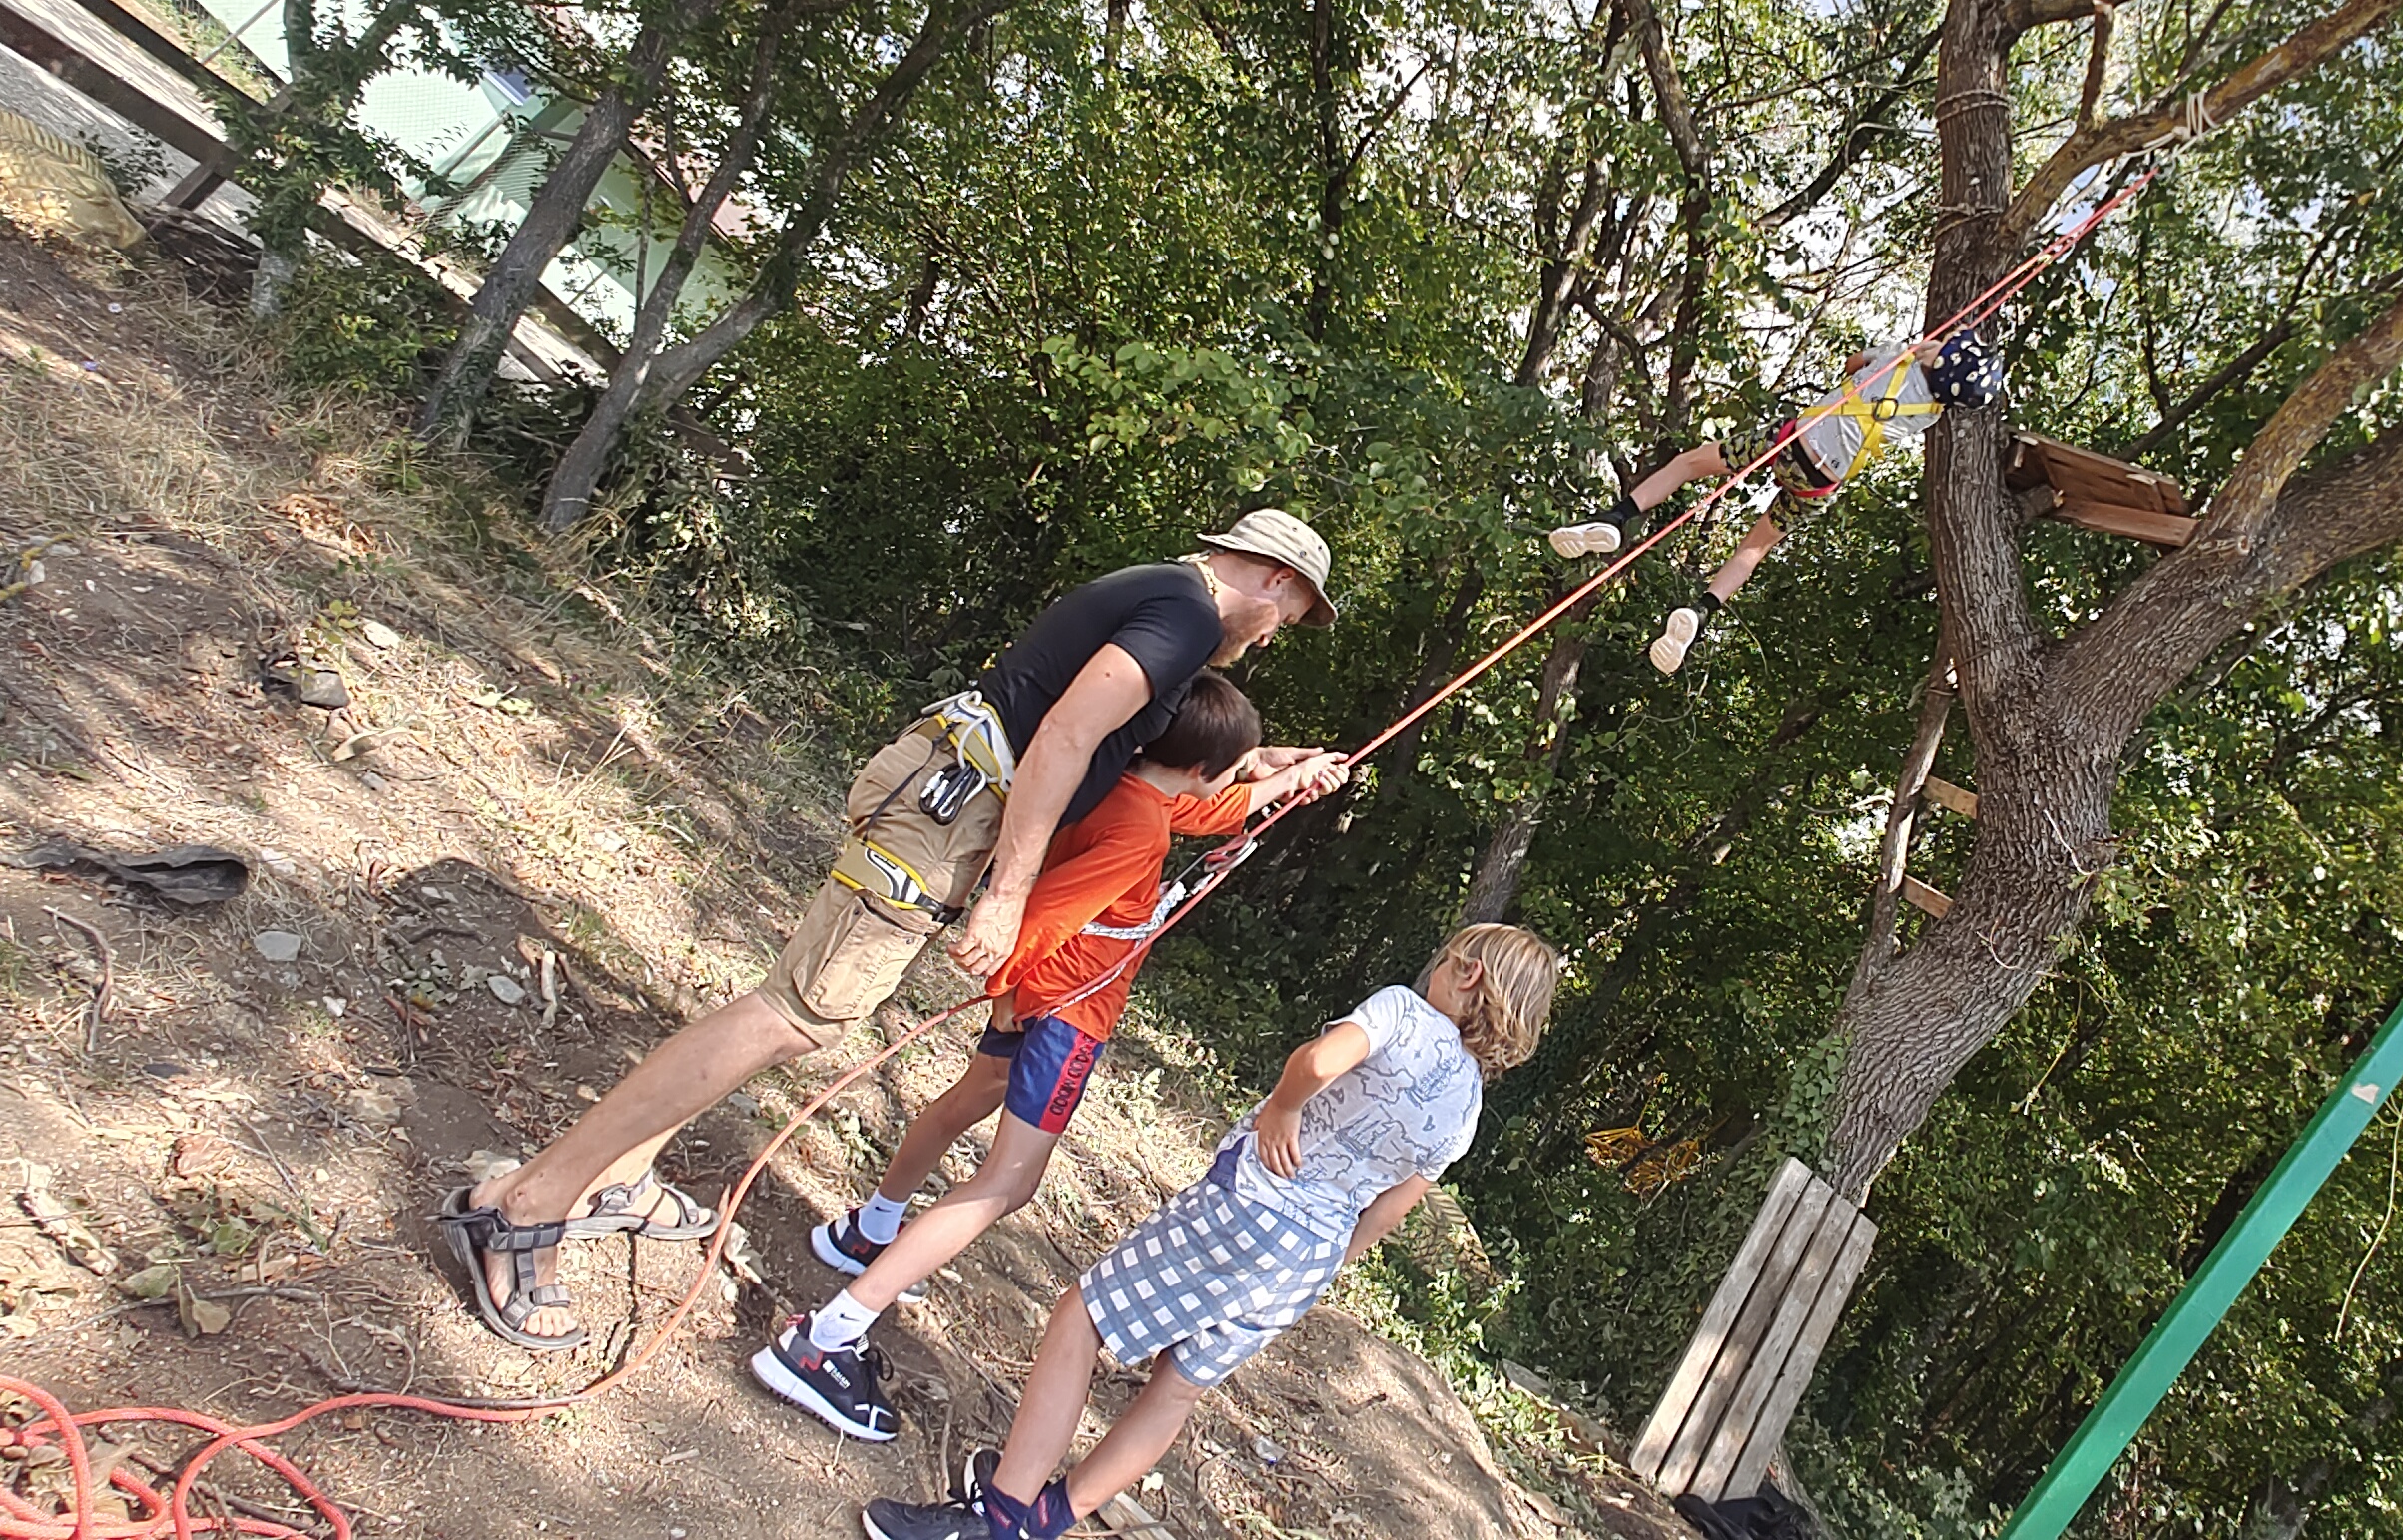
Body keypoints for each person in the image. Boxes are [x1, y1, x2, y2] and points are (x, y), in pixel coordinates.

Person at [439, 512, 1343, 1350]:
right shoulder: (1185, 615)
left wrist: (1256, 767)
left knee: (802, 1012)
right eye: (1289, 617)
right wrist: (1008, 895)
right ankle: (528, 1204)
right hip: (948, 813)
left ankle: (620, 1175)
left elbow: (1120, 747)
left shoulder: (1165, 600)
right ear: (1273, 578)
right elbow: (1065, 738)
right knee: (794, 1013)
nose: (1273, 638)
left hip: (951, 798)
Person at [753, 668, 1348, 1441]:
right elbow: (1048, 913)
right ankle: (826, 1340)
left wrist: (1285, 778)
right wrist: (1007, 983)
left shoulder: (1120, 781)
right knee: (1009, 1181)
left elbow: (1203, 808)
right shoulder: (1141, 833)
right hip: (1066, 1012)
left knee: (967, 1101)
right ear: (1201, 767)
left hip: (1041, 994)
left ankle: (868, 1229)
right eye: (1232, 768)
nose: (1239, 777)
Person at [853, 923, 1563, 1540]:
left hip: (1251, 1204)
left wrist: (1283, 1109)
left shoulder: (1403, 1013)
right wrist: (1328, 1261)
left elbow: (1319, 1062)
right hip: (1304, 1260)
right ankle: (1050, 1516)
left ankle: (998, 1514)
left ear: (1468, 973)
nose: (1436, 969)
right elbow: (1390, 1210)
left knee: (1083, 1317)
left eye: (1447, 961)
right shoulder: (1467, 1108)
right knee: (1177, 1389)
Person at [1549, 328, 1998, 672]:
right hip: (1819, 483)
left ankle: (1618, 517)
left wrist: (1914, 350)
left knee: (1690, 463)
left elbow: (1851, 364)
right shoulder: (1930, 414)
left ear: (1940, 355)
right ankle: (1700, 612)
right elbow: (1932, 379)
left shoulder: (1894, 356)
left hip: (1791, 443)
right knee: (1754, 547)